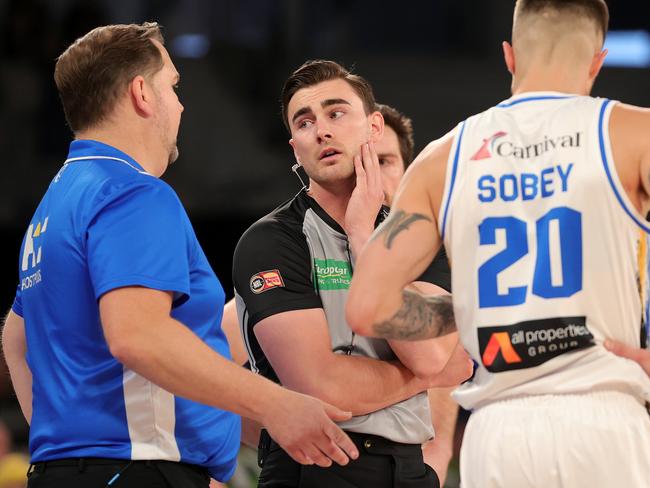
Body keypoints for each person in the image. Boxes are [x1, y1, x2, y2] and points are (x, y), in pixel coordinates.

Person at [1, 23, 359, 488]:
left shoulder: (55, 204)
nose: (180, 103)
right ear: (141, 95)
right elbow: (137, 335)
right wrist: (278, 405)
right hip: (138, 468)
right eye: (172, 85)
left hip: (74, 469)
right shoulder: (132, 192)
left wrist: (66, 446)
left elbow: (16, 335)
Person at [347, 1, 650, 486]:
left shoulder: (442, 159)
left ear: (509, 56)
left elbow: (366, 307)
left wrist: (470, 310)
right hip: (604, 418)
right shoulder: (634, 133)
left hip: (498, 432)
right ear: (598, 60)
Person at [232, 60, 472, 488]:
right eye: (304, 122)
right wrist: (426, 378)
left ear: (374, 127)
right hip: (314, 468)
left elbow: (436, 355)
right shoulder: (270, 241)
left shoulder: (420, 239)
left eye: (336, 113)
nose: (321, 130)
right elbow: (325, 386)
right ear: (295, 148)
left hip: (410, 468)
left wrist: (363, 236)